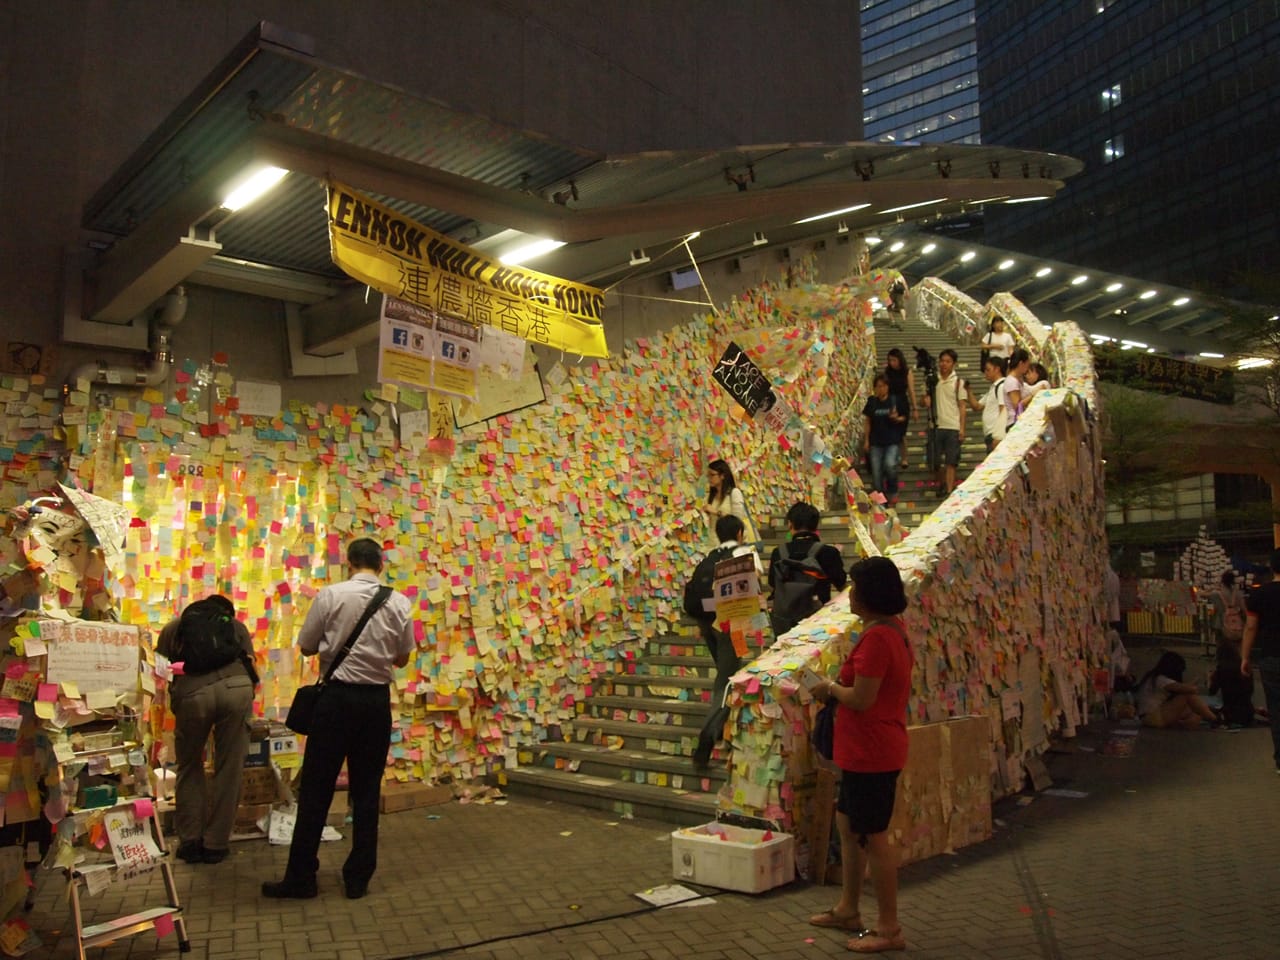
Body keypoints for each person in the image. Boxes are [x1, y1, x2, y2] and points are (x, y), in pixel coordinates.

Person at [262, 538, 415, 900]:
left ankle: (301, 878)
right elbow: (404, 658)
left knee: (316, 789)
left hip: (335, 701)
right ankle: (358, 878)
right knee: (365, 792)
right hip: (375, 703)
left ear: (349, 563)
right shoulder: (399, 602)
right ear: (380, 564)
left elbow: (307, 646)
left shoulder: (330, 595)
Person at [808, 557, 913, 954]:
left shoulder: (879, 639)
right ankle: (848, 908)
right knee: (849, 827)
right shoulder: (890, 632)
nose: (849, 594)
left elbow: (863, 698)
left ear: (868, 595)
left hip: (874, 753)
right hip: (861, 752)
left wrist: (830, 689)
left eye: (854, 588)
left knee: (874, 837)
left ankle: (889, 928)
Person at [156, 595, 258, 864]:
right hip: (236, 690)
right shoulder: (236, 627)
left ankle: (190, 841)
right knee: (229, 767)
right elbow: (250, 662)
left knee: (190, 765)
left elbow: (162, 669)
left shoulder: (173, 628)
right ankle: (216, 844)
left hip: (192, 694)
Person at [692, 515, 763, 767]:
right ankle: (708, 736)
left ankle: (724, 730)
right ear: (741, 532)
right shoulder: (745, 552)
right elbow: (755, 587)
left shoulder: (711, 554)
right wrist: (757, 624)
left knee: (727, 673)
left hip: (706, 622)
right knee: (726, 681)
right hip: (730, 624)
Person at [768, 502, 847, 635]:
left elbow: (772, 583)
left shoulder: (778, 553)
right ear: (816, 525)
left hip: (786, 624)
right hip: (818, 625)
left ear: (790, 524)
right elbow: (842, 585)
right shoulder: (828, 552)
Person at [1241, 550, 1280, 772]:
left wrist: (1245, 657)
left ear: (1272, 568)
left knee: (1276, 708)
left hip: (1271, 656)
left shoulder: (1259, 595)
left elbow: (1251, 626)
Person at [919, 348, 968, 496]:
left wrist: (962, 428)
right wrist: (924, 400)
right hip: (935, 425)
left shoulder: (959, 382)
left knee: (951, 462)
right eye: (942, 361)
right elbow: (922, 401)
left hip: (952, 426)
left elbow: (962, 406)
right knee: (934, 460)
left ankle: (948, 490)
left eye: (948, 361)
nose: (944, 364)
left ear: (954, 364)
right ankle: (942, 483)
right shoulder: (932, 380)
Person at [1134, 651, 1219, 729]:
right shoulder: (1161, 680)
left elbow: (1182, 688)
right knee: (1187, 695)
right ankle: (1215, 719)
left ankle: (1185, 724)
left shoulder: (1154, 677)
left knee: (1195, 711)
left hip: (1149, 717)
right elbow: (1189, 690)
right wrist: (1206, 680)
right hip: (1153, 717)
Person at [861, 374, 906, 504]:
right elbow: (868, 421)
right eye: (878, 386)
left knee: (890, 465)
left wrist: (897, 418)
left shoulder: (894, 400)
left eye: (883, 386)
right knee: (876, 473)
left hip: (892, 440)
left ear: (887, 387)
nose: (881, 389)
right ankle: (880, 500)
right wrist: (866, 440)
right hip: (876, 442)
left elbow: (904, 417)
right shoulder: (872, 402)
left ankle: (892, 491)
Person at [702, 458, 753, 542]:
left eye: (712, 475)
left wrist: (716, 512)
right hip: (713, 542)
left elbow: (737, 522)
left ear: (722, 476)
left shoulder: (734, 493)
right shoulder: (711, 496)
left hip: (731, 544)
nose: (709, 478)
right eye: (708, 475)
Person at [883, 349, 917, 469]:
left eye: (894, 360)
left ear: (899, 360)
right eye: (890, 360)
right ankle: (892, 456)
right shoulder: (887, 372)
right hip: (890, 402)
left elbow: (911, 390)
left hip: (902, 402)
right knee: (892, 430)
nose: (892, 363)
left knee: (902, 432)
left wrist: (915, 408)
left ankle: (904, 458)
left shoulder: (907, 372)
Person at [968, 354, 1007, 452]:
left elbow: (1004, 411)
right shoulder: (993, 388)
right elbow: (977, 406)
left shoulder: (1001, 386)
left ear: (997, 369)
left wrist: (999, 435)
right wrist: (968, 391)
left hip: (996, 435)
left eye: (988, 370)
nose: (985, 372)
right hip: (990, 434)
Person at [1003, 348, 1030, 430]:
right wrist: (1033, 395)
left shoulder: (1018, 380)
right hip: (1015, 422)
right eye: (1027, 365)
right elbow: (1018, 406)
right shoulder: (1012, 382)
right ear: (1021, 363)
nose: (1027, 368)